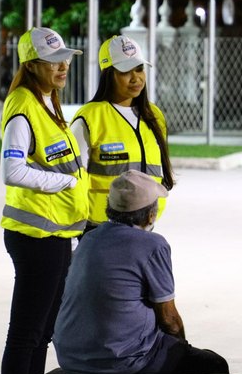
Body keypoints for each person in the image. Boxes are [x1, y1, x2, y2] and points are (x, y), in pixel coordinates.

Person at [53, 170, 229, 374]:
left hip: (70, 355)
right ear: (150, 214)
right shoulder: (152, 244)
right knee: (214, 364)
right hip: (123, 359)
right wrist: (181, 348)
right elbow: (169, 318)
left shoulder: (89, 239)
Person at [0, 27, 89, 374]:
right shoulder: (23, 107)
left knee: (42, 333)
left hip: (55, 234)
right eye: (53, 61)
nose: (63, 65)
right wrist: (65, 184)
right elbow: (12, 170)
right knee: (27, 334)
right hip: (36, 236)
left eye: (65, 58)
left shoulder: (46, 103)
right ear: (32, 64)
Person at [71, 35, 174, 230]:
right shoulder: (90, 118)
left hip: (145, 225)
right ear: (108, 74)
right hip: (100, 228)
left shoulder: (154, 115)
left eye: (139, 69)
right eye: (126, 71)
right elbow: (73, 180)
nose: (136, 78)